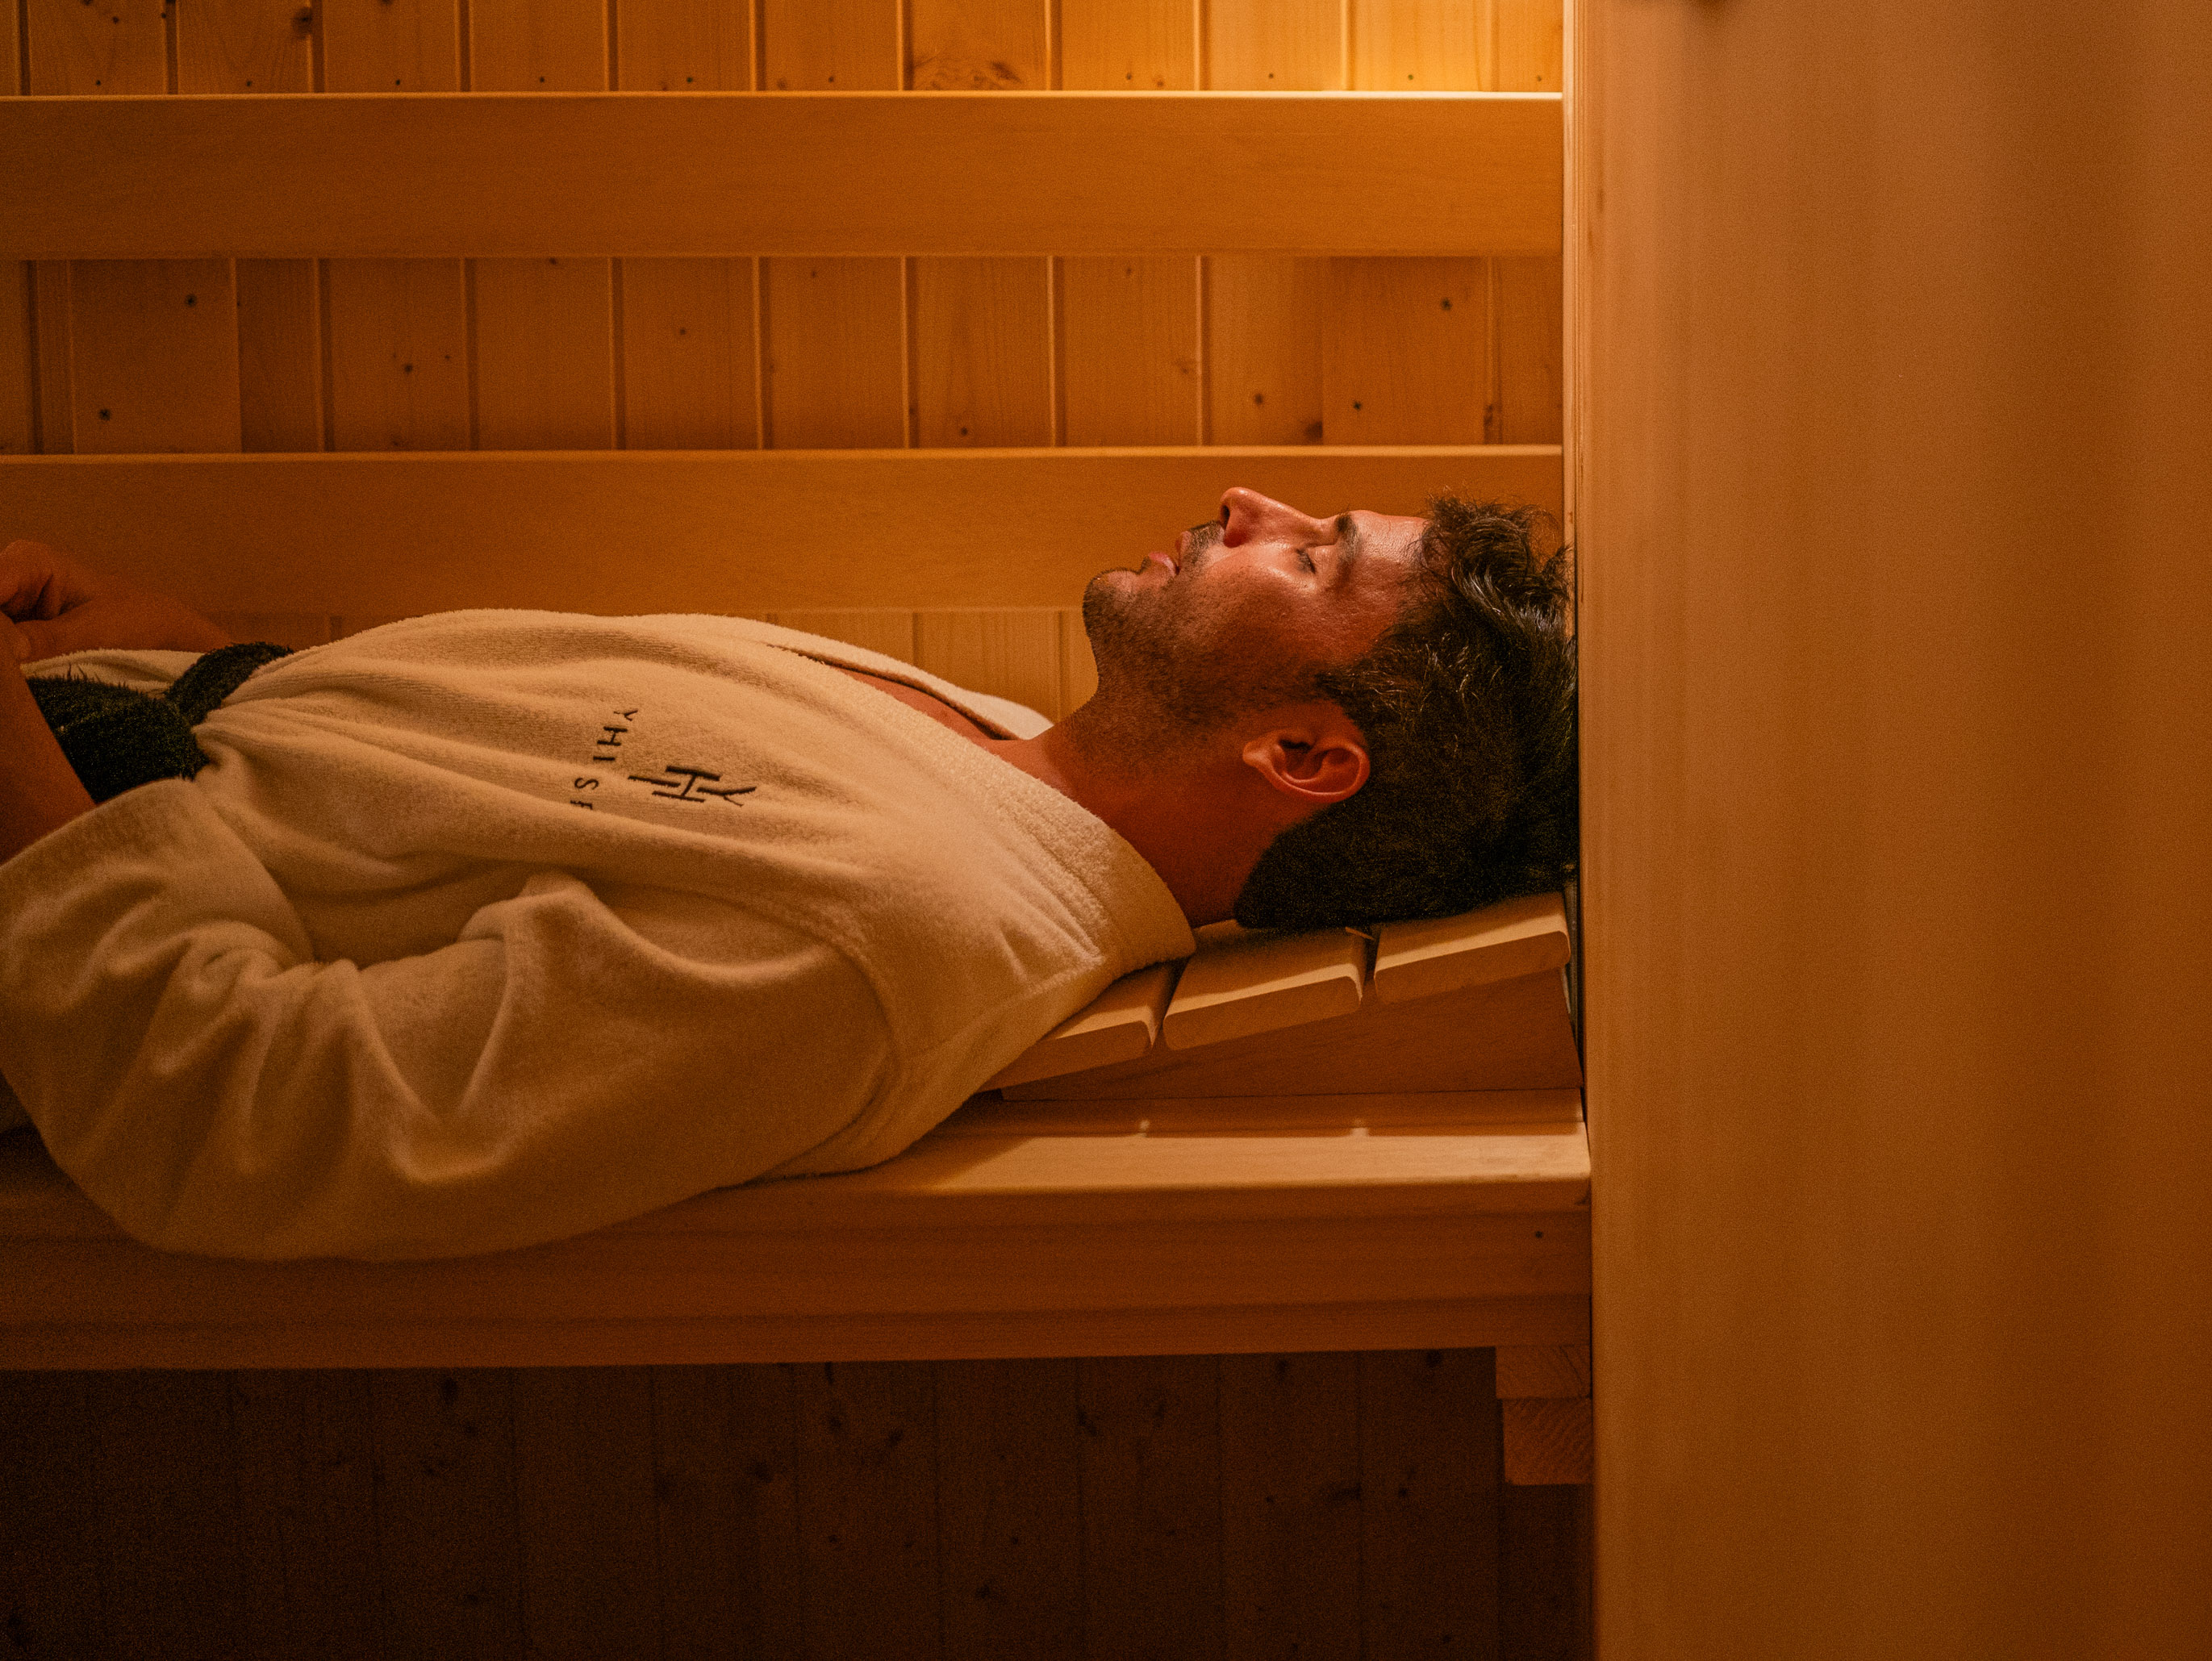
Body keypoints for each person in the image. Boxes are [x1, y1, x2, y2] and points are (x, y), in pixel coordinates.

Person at [0, 490, 1576, 1262]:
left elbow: (255, 1116)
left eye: (1308, 558)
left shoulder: (875, 945)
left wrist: (38, 770)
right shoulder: (992, 751)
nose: (1247, 502)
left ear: (1301, 756)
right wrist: (195, 658)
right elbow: (425, 820)